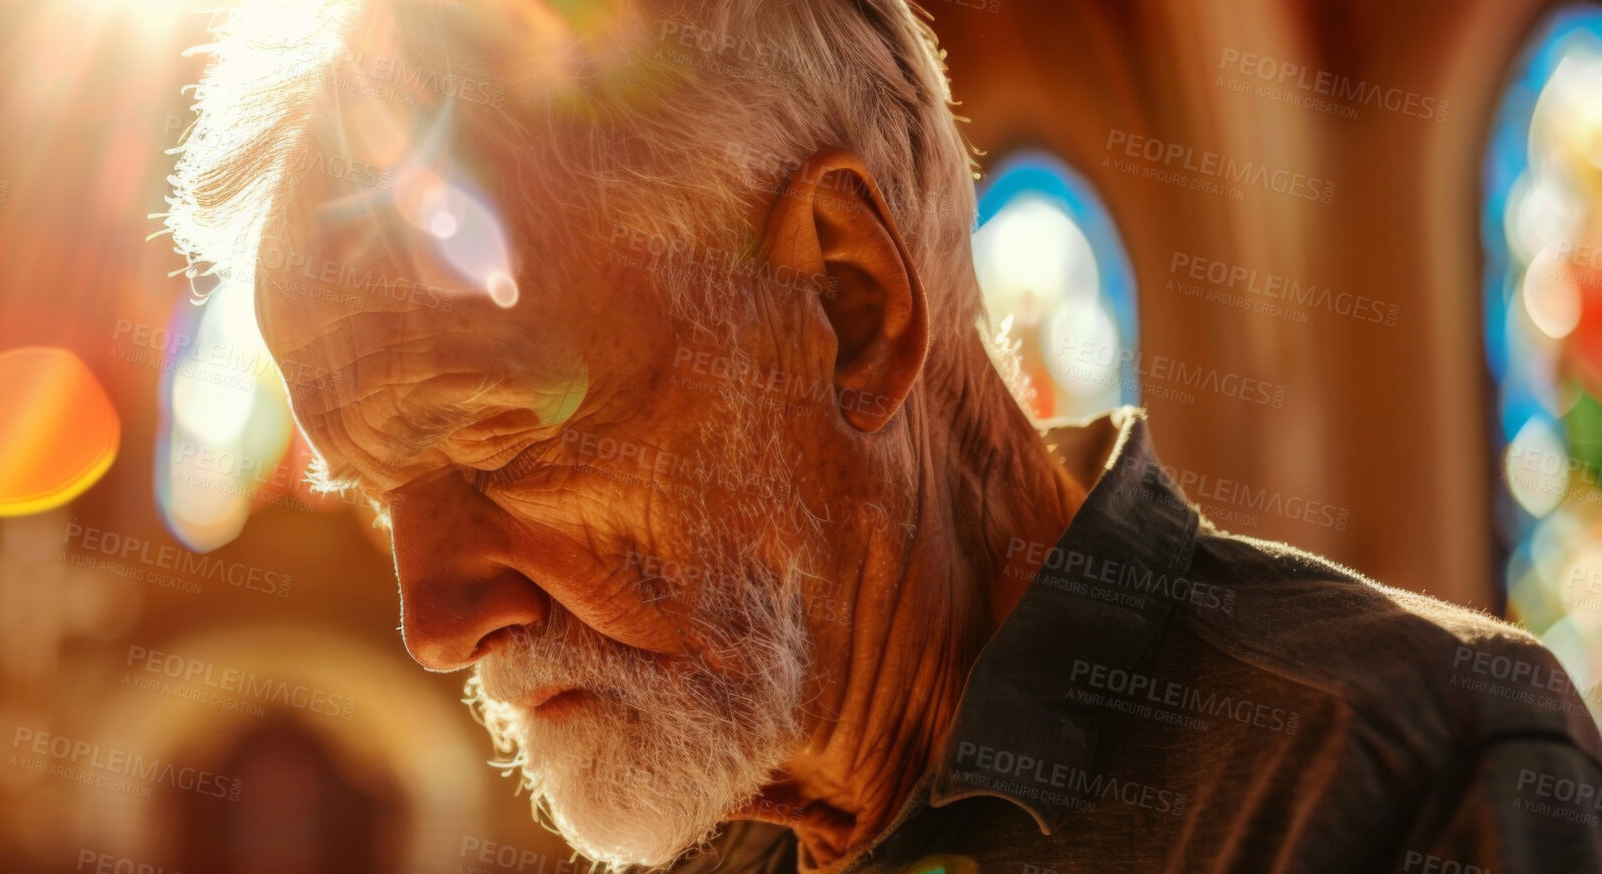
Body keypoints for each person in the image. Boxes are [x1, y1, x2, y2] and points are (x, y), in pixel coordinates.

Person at [160, 0, 1602, 870]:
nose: (430, 621)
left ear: (852, 302)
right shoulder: (705, 817)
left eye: (490, 446)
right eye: (377, 492)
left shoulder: (1387, 769)